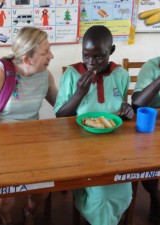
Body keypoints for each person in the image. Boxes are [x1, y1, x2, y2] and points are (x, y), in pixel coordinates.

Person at [0, 27, 58, 225]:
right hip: (1, 144)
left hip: (34, 142)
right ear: (27, 59)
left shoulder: (44, 74)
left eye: (49, 49)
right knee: (6, 198)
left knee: (42, 190)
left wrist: (80, 94)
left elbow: (59, 105)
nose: (51, 55)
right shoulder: (0, 73)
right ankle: (7, 219)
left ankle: (30, 211)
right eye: (45, 52)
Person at [54, 25, 133, 225]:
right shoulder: (72, 75)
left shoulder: (120, 75)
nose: (91, 63)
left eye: (98, 57)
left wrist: (127, 110)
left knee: (123, 192)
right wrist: (80, 93)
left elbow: (120, 109)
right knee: (102, 197)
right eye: (86, 56)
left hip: (114, 147)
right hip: (80, 148)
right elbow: (60, 116)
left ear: (111, 51)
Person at [131, 23, 160, 225]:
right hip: (149, 127)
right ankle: (155, 193)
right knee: (146, 160)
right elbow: (137, 103)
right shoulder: (153, 66)